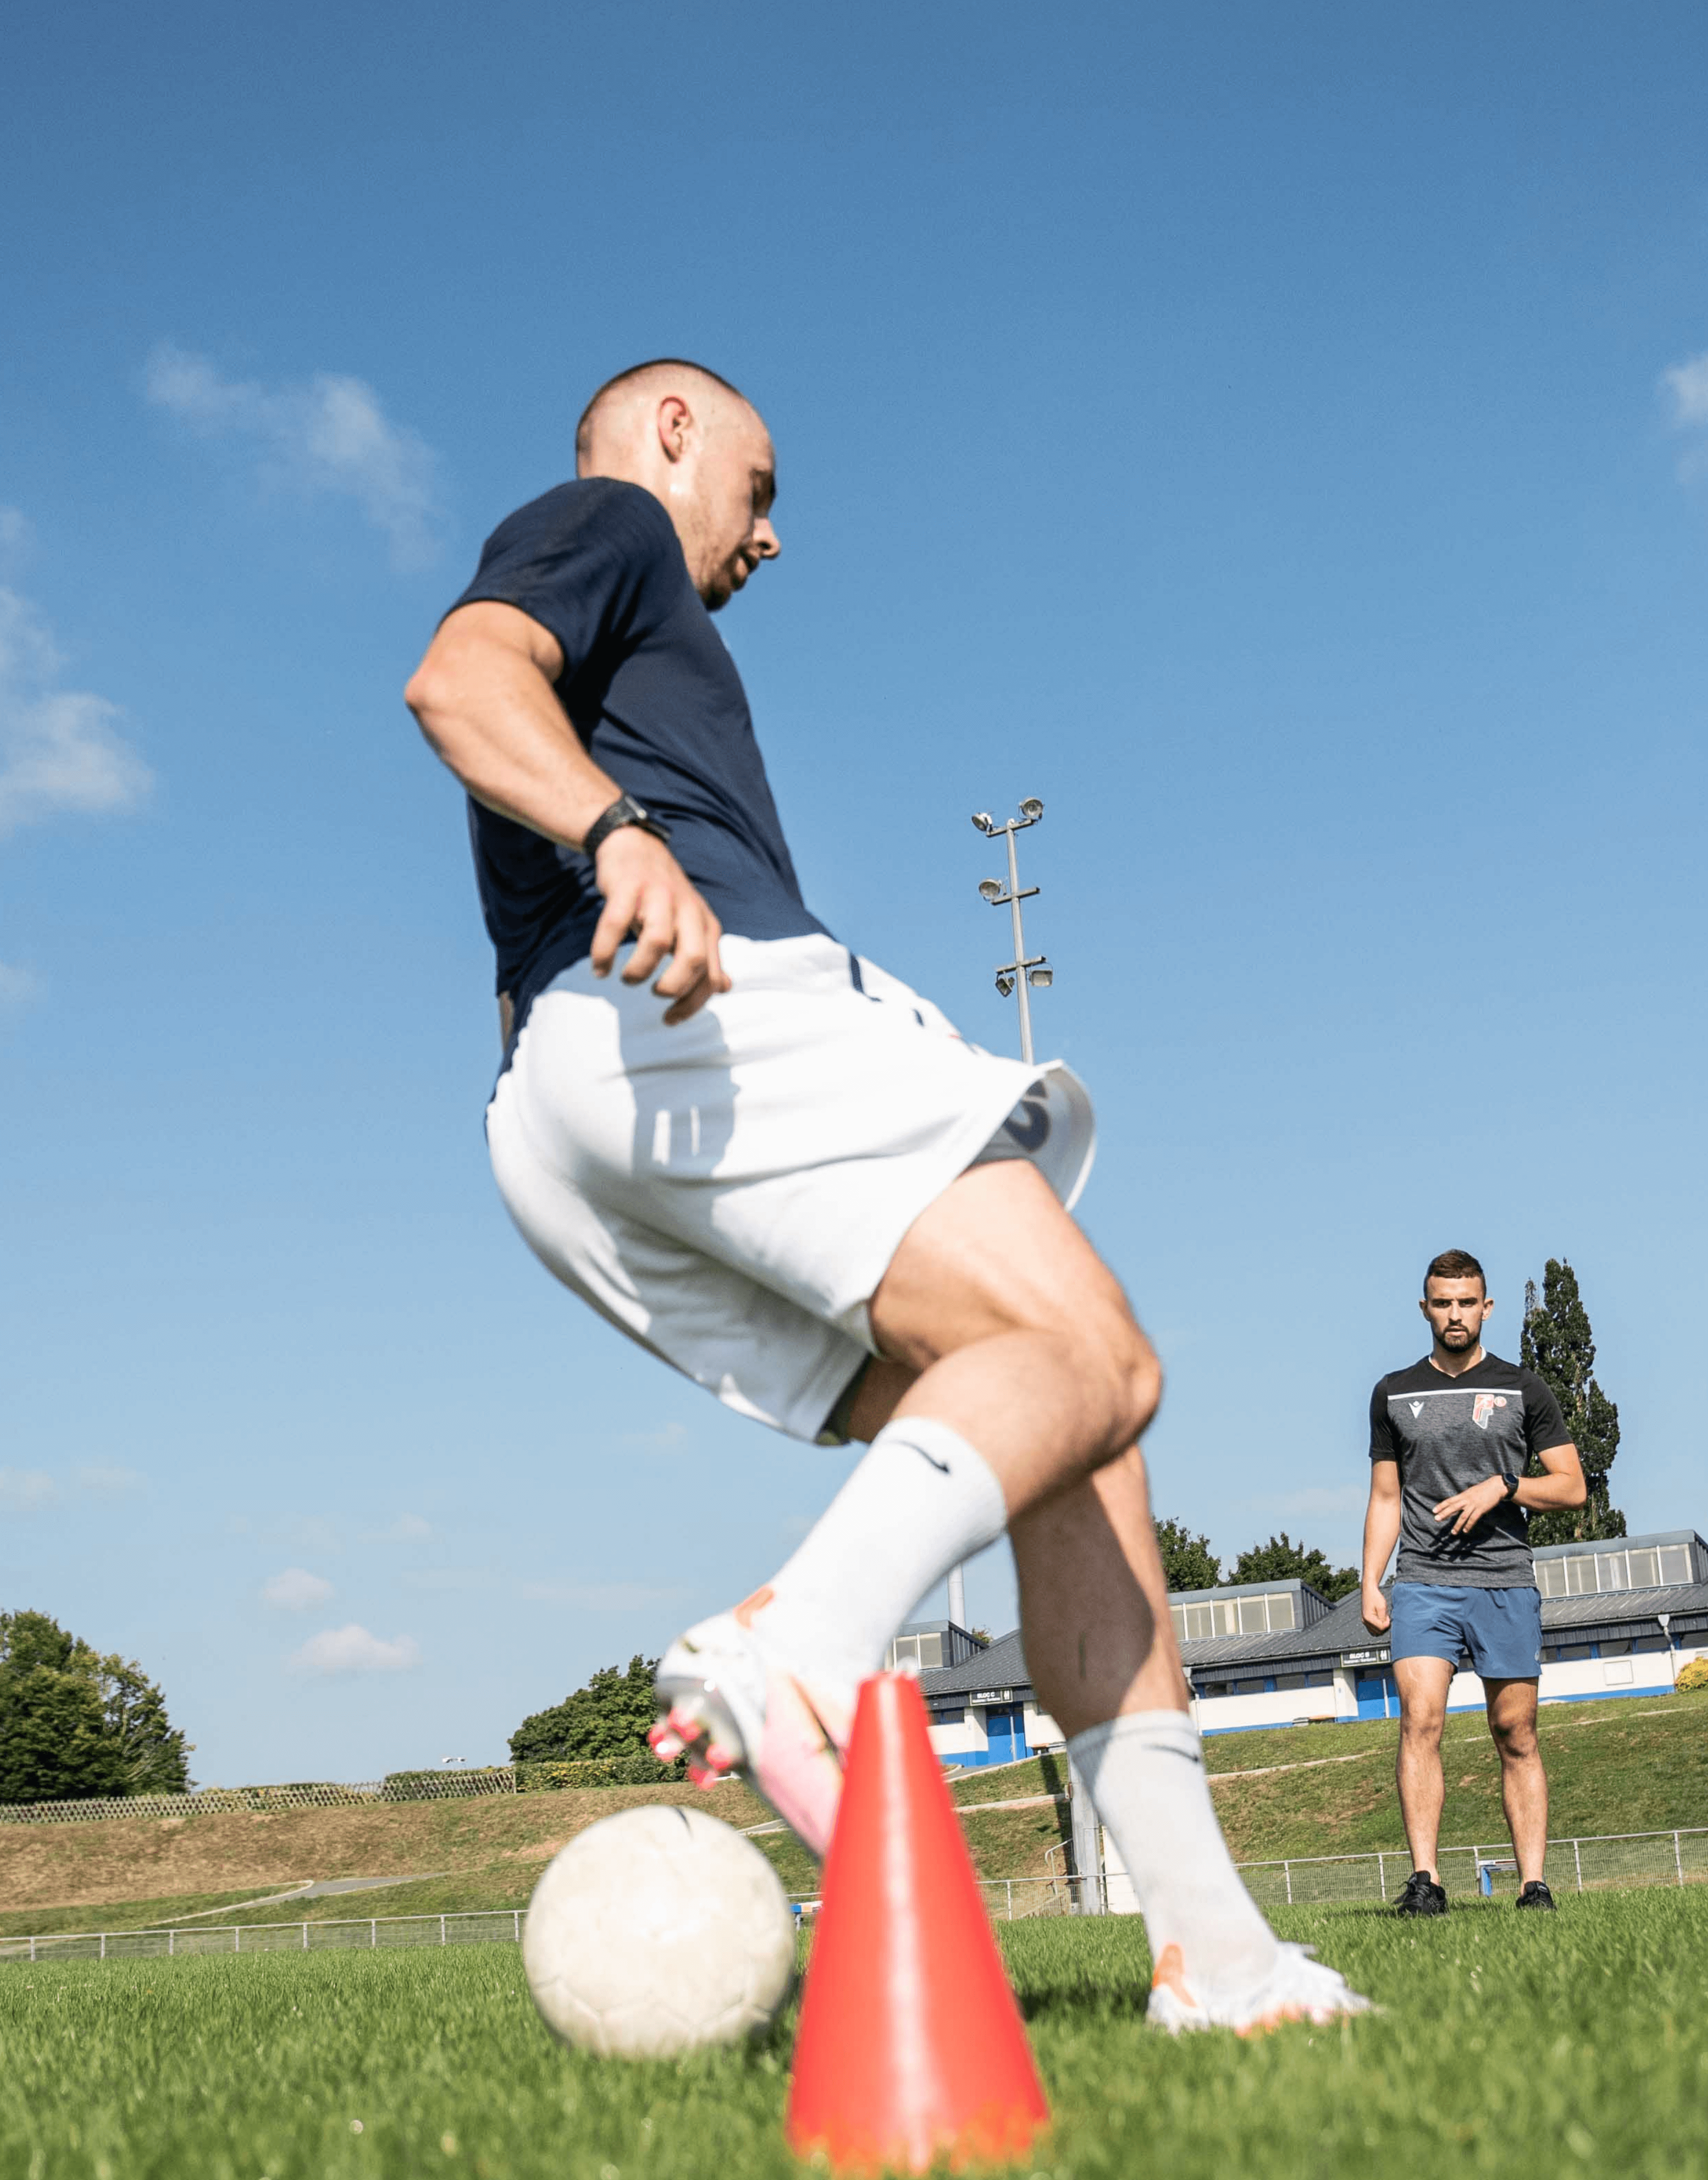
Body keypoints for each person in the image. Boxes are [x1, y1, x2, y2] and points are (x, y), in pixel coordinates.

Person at [404, 358, 1367, 2031]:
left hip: (569, 1109)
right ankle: (805, 1644)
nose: (767, 535)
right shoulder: (609, 515)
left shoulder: (640, 597)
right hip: (682, 1008)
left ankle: (1214, 1950)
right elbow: (458, 676)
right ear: (677, 430)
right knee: (1108, 1352)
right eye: (761, 486)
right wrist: (619, 829)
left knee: (1069, 1424)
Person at [1360, 1249, 1586, 1915]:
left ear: (1486, 1308)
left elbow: (1572, 1487)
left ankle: (1533, 1886)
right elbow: (1384, 1498)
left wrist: (1505, 1486)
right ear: (1425, 1307)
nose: (1454, 1314)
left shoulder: (1525, 1389)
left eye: (1466, 1303)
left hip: (1506, 1581)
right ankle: (1426, 1881)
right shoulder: (1393, 1392)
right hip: (1424, 1580)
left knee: (1515, 1731)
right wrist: (1371, 1580)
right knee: (1419, 1721)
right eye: (1442, 1302)